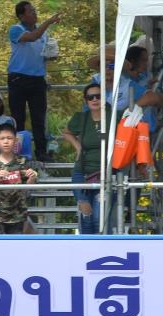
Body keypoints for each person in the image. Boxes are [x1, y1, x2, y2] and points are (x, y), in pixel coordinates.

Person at [7, 2, 62, 161]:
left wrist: (51, 54)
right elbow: (31, 37)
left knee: (39, 118)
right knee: (18, 118)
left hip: (38, 79)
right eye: (31, 11)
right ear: (22, 16)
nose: (35, 13)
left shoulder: (42, 33)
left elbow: (42, 50)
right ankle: (19, 154)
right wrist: (49, 22)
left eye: (34, 11)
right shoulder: (16, 29)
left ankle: (41, 152)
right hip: (18, 78)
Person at [62, 83, 106, 235]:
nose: (94, 99)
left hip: (106, 174)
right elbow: (66, 132)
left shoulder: (115, 116)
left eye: (98, 96)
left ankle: (101, 251)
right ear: (86, 101)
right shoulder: (80, 118)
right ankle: (86, 251)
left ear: (104, 97)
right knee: (86, 216)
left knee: (98, 220)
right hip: (81, 172)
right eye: (90, 97)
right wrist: (78, 146)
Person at [0, 123, 38, 234]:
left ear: (16, 141)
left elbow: (28, 188)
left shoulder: (23, 161)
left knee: (14, 249)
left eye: (9, 138)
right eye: (2, 138)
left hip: (18, 215)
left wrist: (32, 177)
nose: (6, 141)